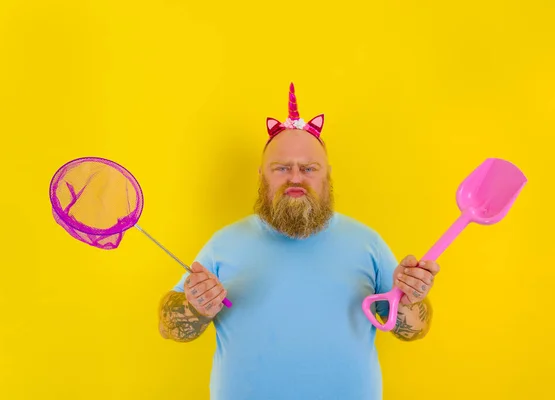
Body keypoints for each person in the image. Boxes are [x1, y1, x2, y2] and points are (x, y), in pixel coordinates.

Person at [158, 83, 441, 400]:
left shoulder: (367, 243)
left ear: (327, 175)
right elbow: (171, 327)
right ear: (262, 175)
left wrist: (411, 299)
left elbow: (413, 330)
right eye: (281, 168)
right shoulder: (224, 243)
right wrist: (195, 307)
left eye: (308, 168)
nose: (295, 178)